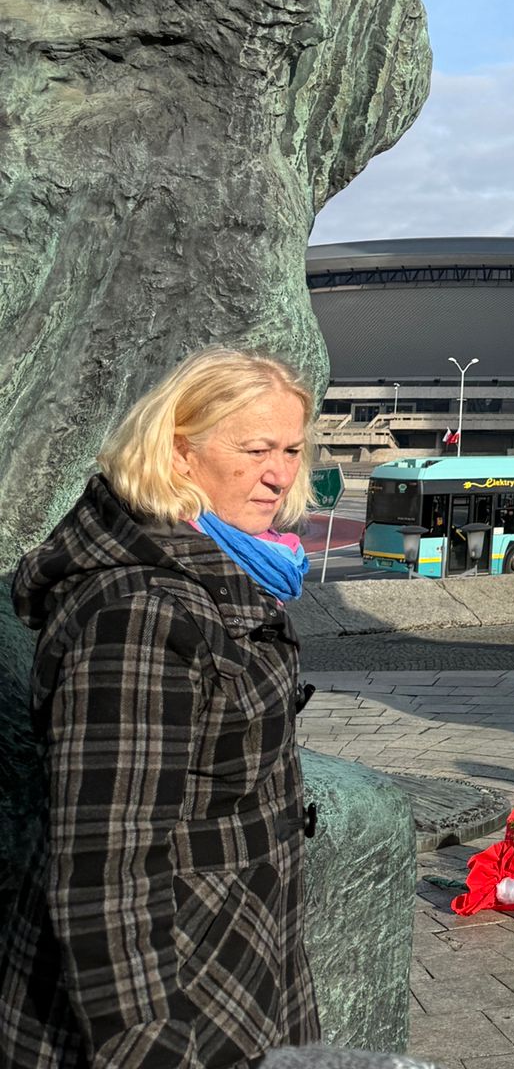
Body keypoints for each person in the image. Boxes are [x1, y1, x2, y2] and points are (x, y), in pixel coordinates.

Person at [0, 349, 323, 1068]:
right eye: (256, 450)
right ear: (179, 453)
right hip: (172, 1003)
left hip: (232, 966)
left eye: (291, 450)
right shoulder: (142, 614)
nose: (279, 474)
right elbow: (105, 868)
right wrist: (149, 1048)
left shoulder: (226, 568)